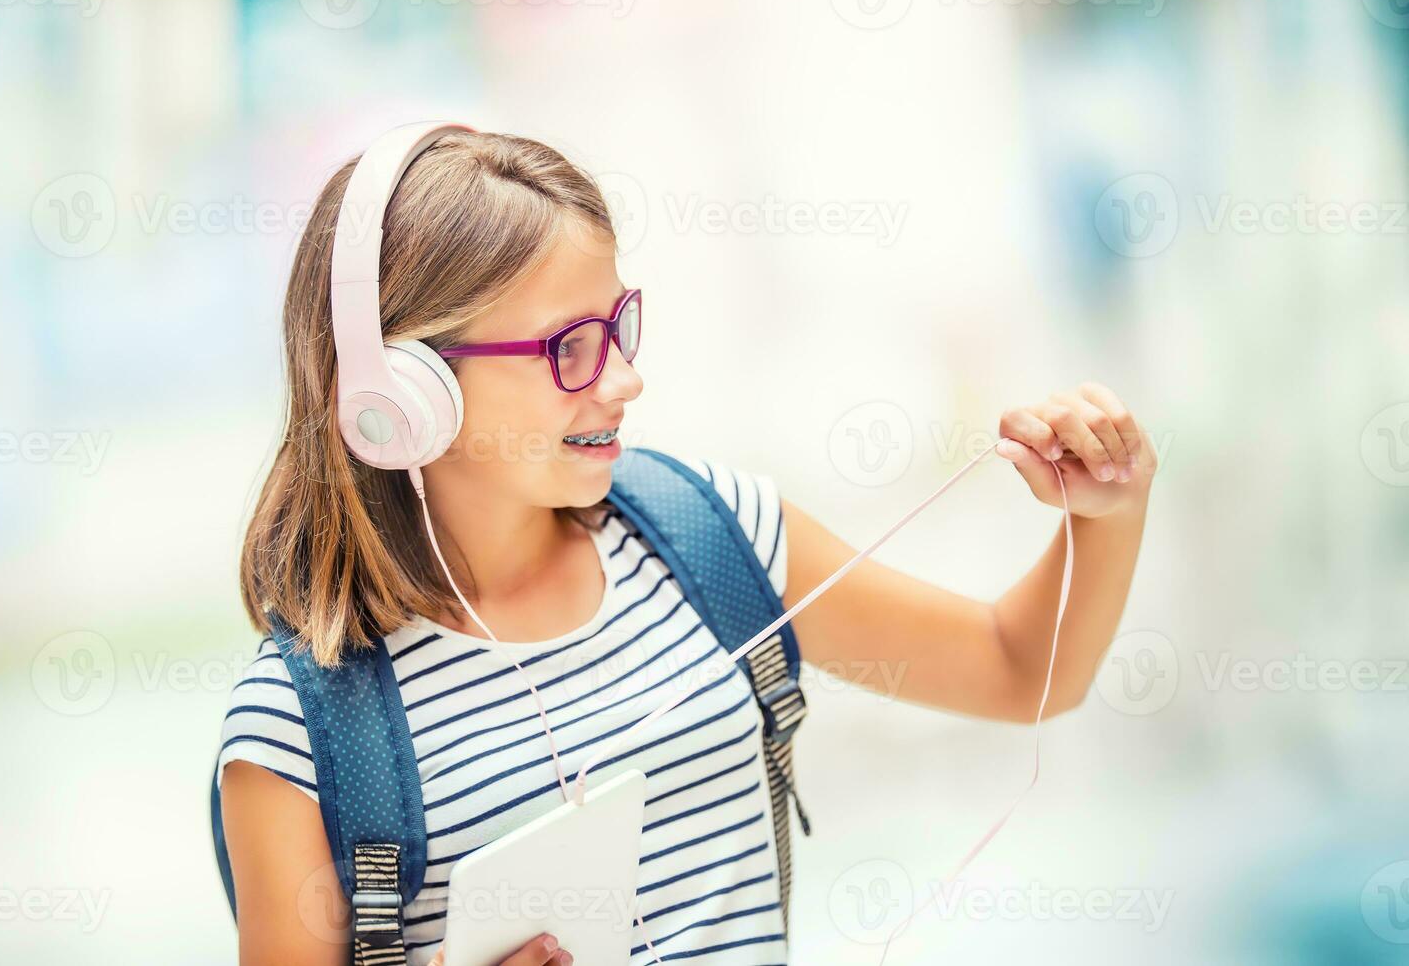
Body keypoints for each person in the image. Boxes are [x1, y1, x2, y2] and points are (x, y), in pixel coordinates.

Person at [215, 128, 1156, 966]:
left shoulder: (714, 539)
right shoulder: (300, 731)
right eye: (569, 349)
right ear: (404, 396)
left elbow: (1021, 669)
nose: (624, 379)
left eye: (619, 325)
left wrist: (1103, 515)